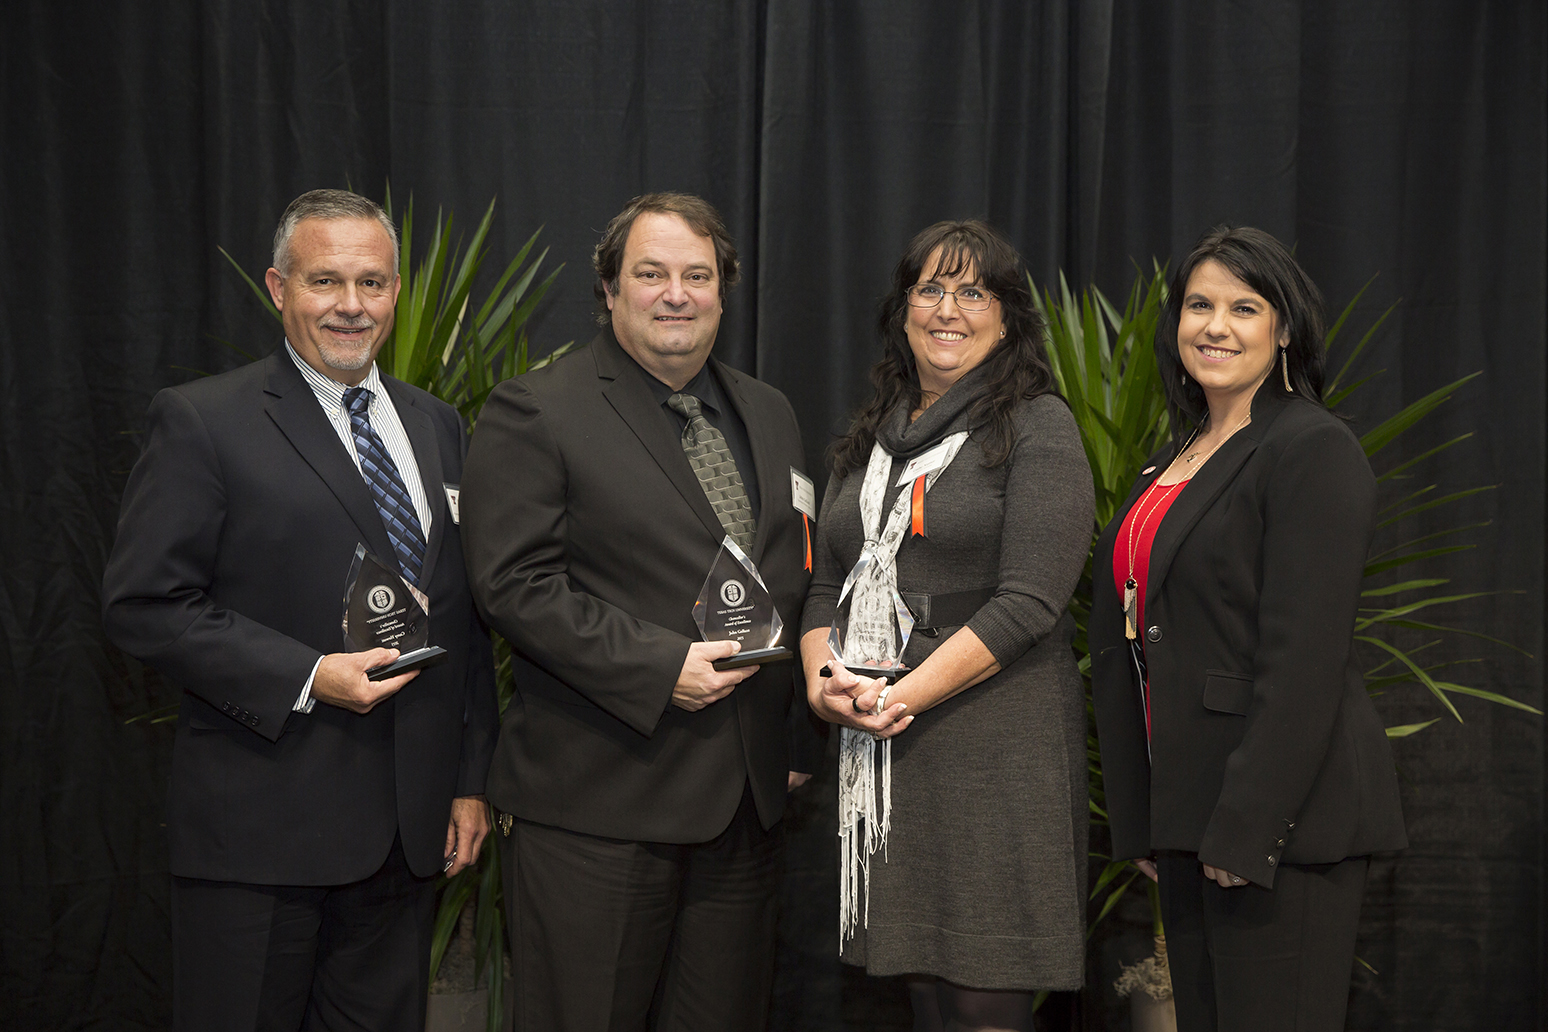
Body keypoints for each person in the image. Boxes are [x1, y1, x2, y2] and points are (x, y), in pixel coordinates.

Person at [101, 189, 499, 1031]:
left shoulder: (439, 426)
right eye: (326, 282)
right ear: (279, 289)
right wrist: (309, 675)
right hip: (261, 837)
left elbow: (462, 619)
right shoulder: (204, 421)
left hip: (405, 838)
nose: (351, 306)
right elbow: (144, 605)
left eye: (372, 282)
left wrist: (469, 784)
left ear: (396, 291)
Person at [460, 192, 817, 1032]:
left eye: (697, 276)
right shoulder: (536, 409)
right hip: (600, 809)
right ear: (610, 291)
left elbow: (791, 574)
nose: (675, 294)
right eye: (650, 274)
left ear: (723, 293)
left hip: (744, 812)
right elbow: (512, 584)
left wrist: (795, 732)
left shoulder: (770, 412)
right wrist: (660, 669)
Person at [1088, 225, 1408, 1031]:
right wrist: (1152, 822)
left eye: (1244, 306)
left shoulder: (1312, 448)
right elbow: (1136, 637)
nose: (1215, 326)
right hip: (1192, 819)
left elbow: (1304, 660)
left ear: (1284, 328)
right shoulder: (1175, 456)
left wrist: (1247, 829)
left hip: (1276, 833)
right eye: (1199, 305)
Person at [799, 220, 1094, 1032]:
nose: (948, 308)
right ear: (902, 310)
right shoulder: (871, 438)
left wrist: (901, 697)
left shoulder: (1036, 425)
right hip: (888, 748)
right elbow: (828, 581)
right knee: (923, 994)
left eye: (973, 291)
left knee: (983, 999)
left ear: (1007, 318)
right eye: (930, 288)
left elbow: (1031, 601)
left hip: (993, 745)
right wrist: (826, 686)